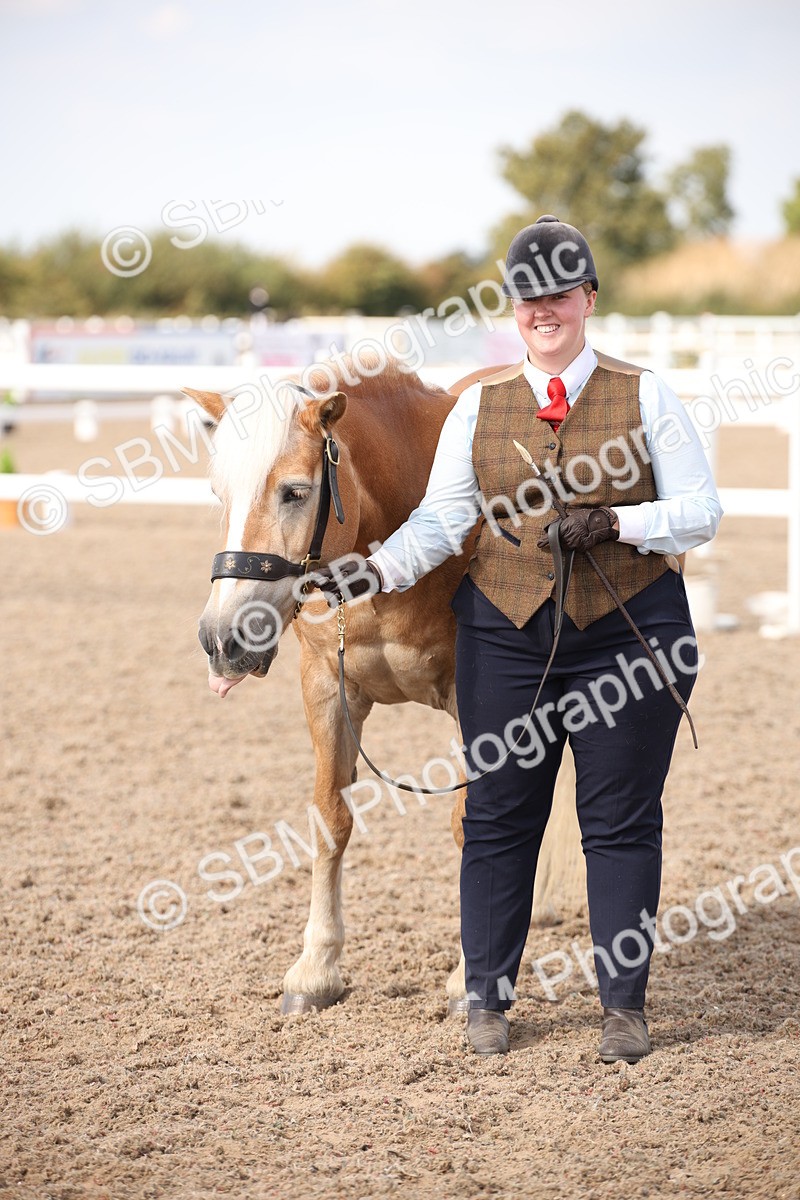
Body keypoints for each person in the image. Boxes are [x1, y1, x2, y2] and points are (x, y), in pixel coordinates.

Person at [314, 214, 722, 1061]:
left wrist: (619, 520)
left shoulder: (647, 394)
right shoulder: (478, 408)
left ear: (588, 299)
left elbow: (701, 511)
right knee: (499, 815)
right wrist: (374, 571)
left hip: (627, 631)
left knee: (619, 820)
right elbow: (442, 521)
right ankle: (487, 1000)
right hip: (505, 634)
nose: (544, 310)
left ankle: (623, 1008)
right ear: (513, 307)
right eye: (529, 297)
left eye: (560, 295)